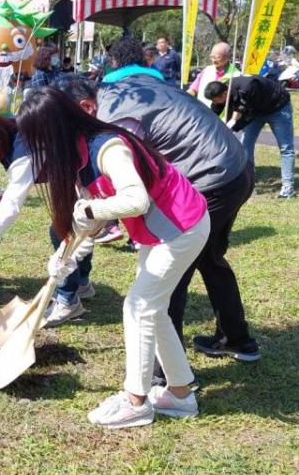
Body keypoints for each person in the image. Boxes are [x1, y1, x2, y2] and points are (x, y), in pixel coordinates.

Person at [18, 87, 210, 428]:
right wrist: (65, 255)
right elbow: (90, 220)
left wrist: (90, 208)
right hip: (161, 231)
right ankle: (179, 395)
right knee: (154, 308)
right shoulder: (77, 155)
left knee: (138, 306)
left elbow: (134, 201)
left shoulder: (107, 147)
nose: (41, 149)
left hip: (182, 226)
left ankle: (136, 401)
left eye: (42, 139)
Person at [96, 36, 260, 374]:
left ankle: (164, 372)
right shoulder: (162, 86)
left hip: (209, 179)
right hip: (237, 169)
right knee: (210, 257)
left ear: (111, 63)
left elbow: (122, 157)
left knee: (168, 275)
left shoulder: (115, 98)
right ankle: (237, 338)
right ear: (144, 59)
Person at [0, 109, 96, 314]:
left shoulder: (22, 150)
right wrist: (6, 191)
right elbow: (20, 180)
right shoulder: (6, 136)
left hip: (84, 170)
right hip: (69, 170)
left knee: (63, 232)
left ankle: (67, 300)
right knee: (71, 231)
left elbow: (12, 206)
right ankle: (81, 283)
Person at [205, 75, 296, 198]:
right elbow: (214, 114)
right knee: (245, 147)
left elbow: (242, 112)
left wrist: (232, 125)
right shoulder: (220, 94)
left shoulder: (247, 87)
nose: (214, 103)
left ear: (225, 93)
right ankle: (249, 185)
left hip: (277, 107)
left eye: (216, 100)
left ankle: (288, 187)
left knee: (286, 148)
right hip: (255, 111)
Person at [189, 42, 239, 108]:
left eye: (217, 57)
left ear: (228, 57)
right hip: (202, 111)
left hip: (221, 116)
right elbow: (193, 89)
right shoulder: (207, 70)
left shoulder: (236, 75)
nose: (214, 60)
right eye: (212, 57)